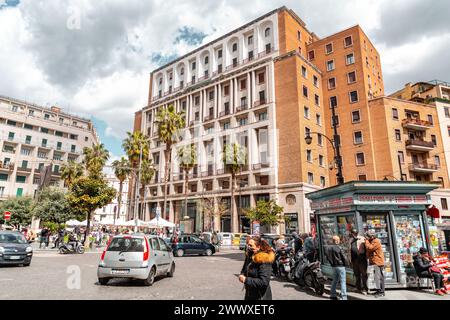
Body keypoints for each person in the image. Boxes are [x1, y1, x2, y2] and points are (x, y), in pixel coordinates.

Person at [239, 236, 275, 300]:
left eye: (251, 245)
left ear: (258, 247)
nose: (248, 247)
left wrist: (246, 280)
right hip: (249, 294)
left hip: (260, 296)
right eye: (248, 245)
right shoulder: (250, 256)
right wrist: (242, 274)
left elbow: (263, 282)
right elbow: (244, 268)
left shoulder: (264, 259)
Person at [325, 235, 348, 300]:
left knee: (334, 280)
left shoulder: (328, 248)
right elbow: (344, 257)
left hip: (334, 266)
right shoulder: (338, 248)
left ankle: (332, 295)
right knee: (343, 281)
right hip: (340, 266)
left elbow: (327, 257)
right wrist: (347, 263)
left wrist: (332, 263)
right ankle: (344, 297)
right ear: (337, 241)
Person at [365, 230, 385, 298]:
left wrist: (366, 241)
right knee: (376, 277)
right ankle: (378, 290)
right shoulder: (372, 241)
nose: (367, 237)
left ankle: (382, 292)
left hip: (378, 262)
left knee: (379, 277)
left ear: (372, 236)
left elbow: (370, 248)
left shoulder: (376, 241)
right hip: (374, 262)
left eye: (368, 236)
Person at [350, 229, 368, 294]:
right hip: (354, 259)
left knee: (363, 274)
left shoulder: (362, 239)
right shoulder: (351, 240)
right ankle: (358, 287)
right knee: (357, 274)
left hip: (361, 258)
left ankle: (365, 288)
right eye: (352, 233)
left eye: (354, 233)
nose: (353, 234)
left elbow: (367, 247)